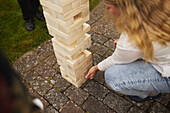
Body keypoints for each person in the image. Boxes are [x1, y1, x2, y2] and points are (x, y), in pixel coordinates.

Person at [85, 0, 170, 103]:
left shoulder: (132, 37)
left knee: (113, 76)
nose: (107, 10)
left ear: (125, 8)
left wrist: (96, 67)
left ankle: (150, 93)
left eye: (109, 7)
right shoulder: (162, 8)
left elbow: (115, 60)